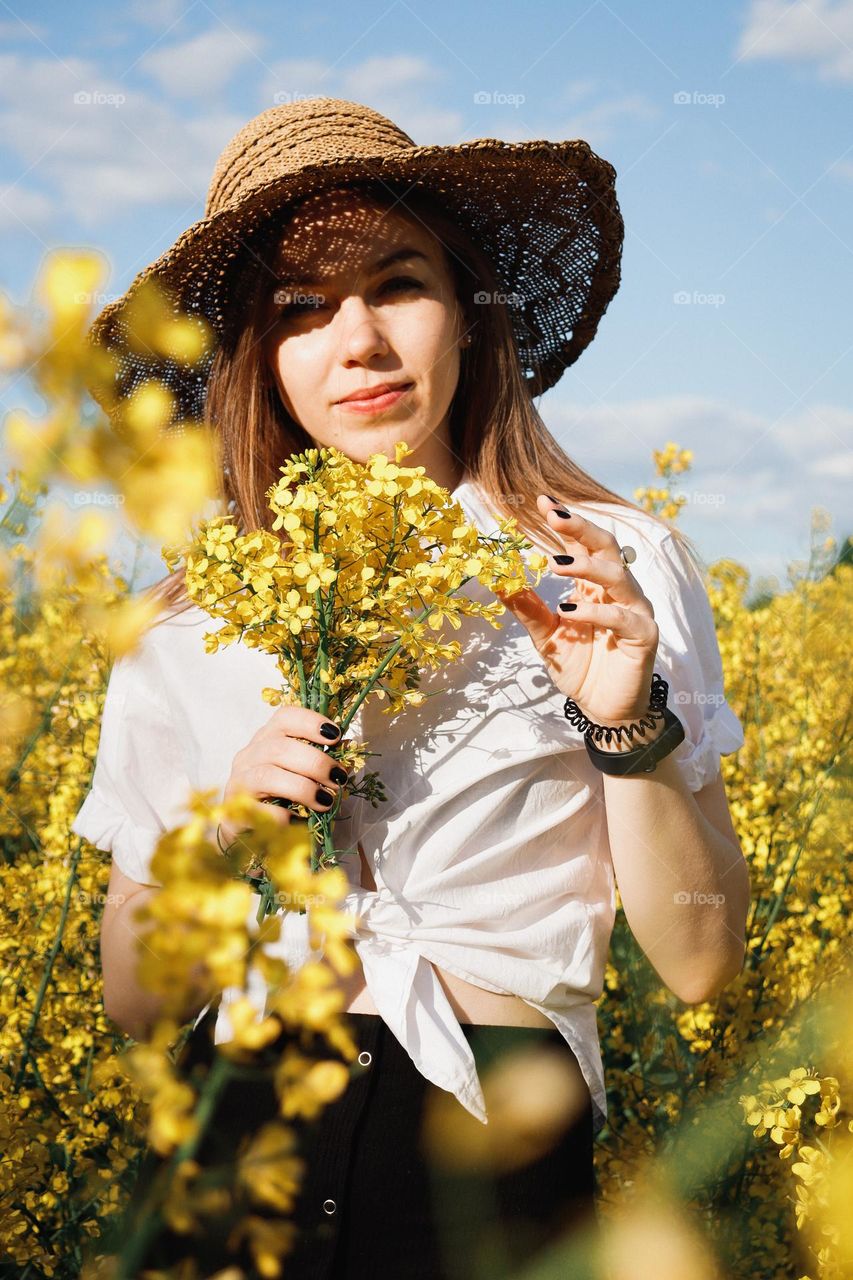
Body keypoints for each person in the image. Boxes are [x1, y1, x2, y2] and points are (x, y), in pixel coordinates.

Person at [71, 97, 750, 1278]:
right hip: (241, 1147)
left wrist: (622, 727)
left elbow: (698, 962)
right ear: (256, 354)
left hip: (492, 1142)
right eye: (300, 307)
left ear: (470, 313)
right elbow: (133, 992)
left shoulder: (605, 563)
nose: (360, 343)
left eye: (398, 285)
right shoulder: (184, 624)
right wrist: (224, 837)